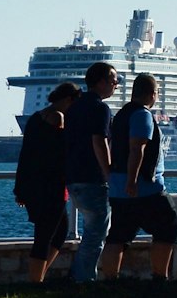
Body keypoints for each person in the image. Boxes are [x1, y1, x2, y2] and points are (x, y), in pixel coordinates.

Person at [102, 74, 177, 280]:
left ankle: (109, 280)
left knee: (118, 234)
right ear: (153, 94)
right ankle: (159, 277)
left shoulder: (121, 115)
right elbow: (137, 149)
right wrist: (132, 180)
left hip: (118, 187)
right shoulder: (142, 115)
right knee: (169, 226)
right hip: (143, 188)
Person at [14, 82, 78, 283]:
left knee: (58, 233)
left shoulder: (35, 118)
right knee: (45, 236)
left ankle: (39, 276)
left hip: (33, 184)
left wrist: (20, 189)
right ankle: (35, 282)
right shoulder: (58, 118)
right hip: (51, 186)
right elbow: (63, 150)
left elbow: (26, 155)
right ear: (68, 100)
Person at [63, 61, 119, 282]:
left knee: (91, 232)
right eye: (114, 81)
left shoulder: (74, 107)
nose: (116, 85)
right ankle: (83, 280)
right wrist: (109, 175)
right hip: (93, 179)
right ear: (102, 82)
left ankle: (78, 275)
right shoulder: (100, 108)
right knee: (96, 235)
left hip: (73, 177)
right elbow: (99, 142)